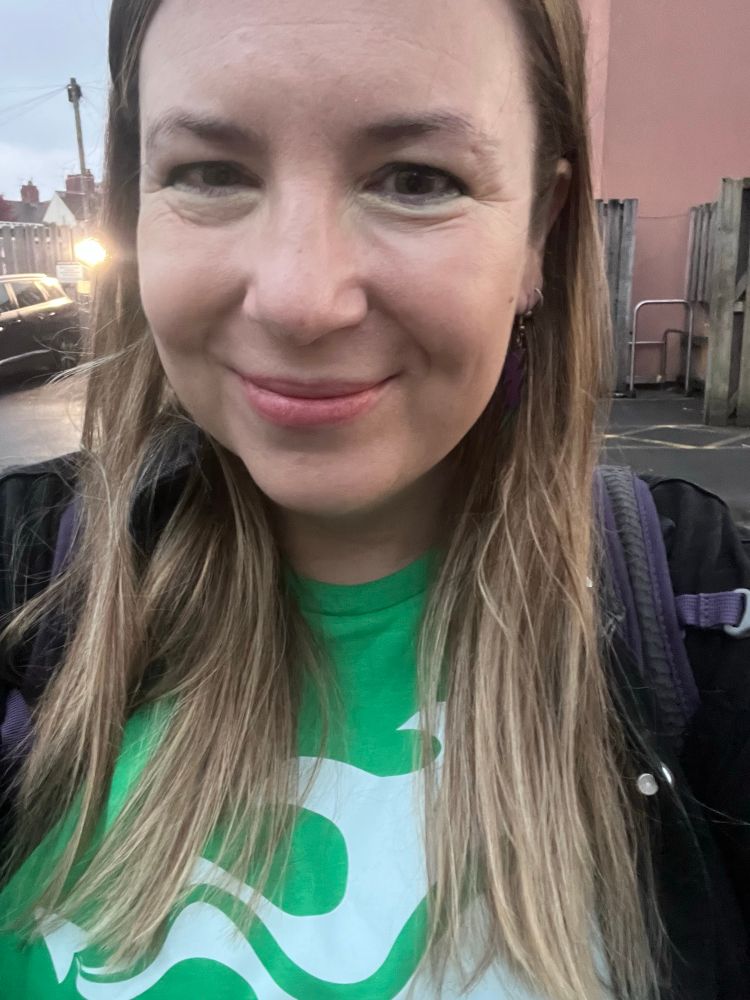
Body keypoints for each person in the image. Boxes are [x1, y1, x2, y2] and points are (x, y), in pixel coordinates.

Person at [0, 0, 748, 997]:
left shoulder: (705, 616)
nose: (302, 298)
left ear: (540, 230)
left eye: (416, 179)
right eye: (211, 173)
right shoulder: (28, 583)